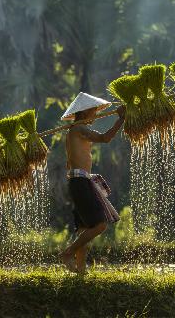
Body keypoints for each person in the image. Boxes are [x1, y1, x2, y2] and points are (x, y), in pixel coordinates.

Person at [59, 92, 126, 274]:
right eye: (94, 112)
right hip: (80, 182)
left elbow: (70, 161)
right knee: (99, 225)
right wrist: (121, 119)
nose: (96, 115)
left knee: (84, 228)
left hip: (79, 181)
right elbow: (105, 138)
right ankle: (67, 253)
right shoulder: (78, 129)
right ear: (86, 111)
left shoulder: (74, 132)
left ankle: (81, 270)